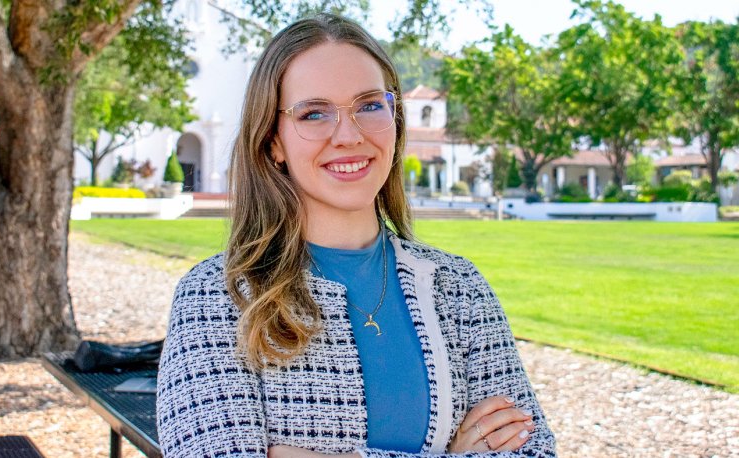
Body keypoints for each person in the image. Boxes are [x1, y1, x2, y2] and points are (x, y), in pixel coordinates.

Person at [156, 13, 556, 458]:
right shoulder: (217, 297)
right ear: (273, 142)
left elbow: (532, 450)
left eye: (369, 105)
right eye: (313, 113)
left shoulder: (458, 287)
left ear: (395, 119)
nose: (348, 135)